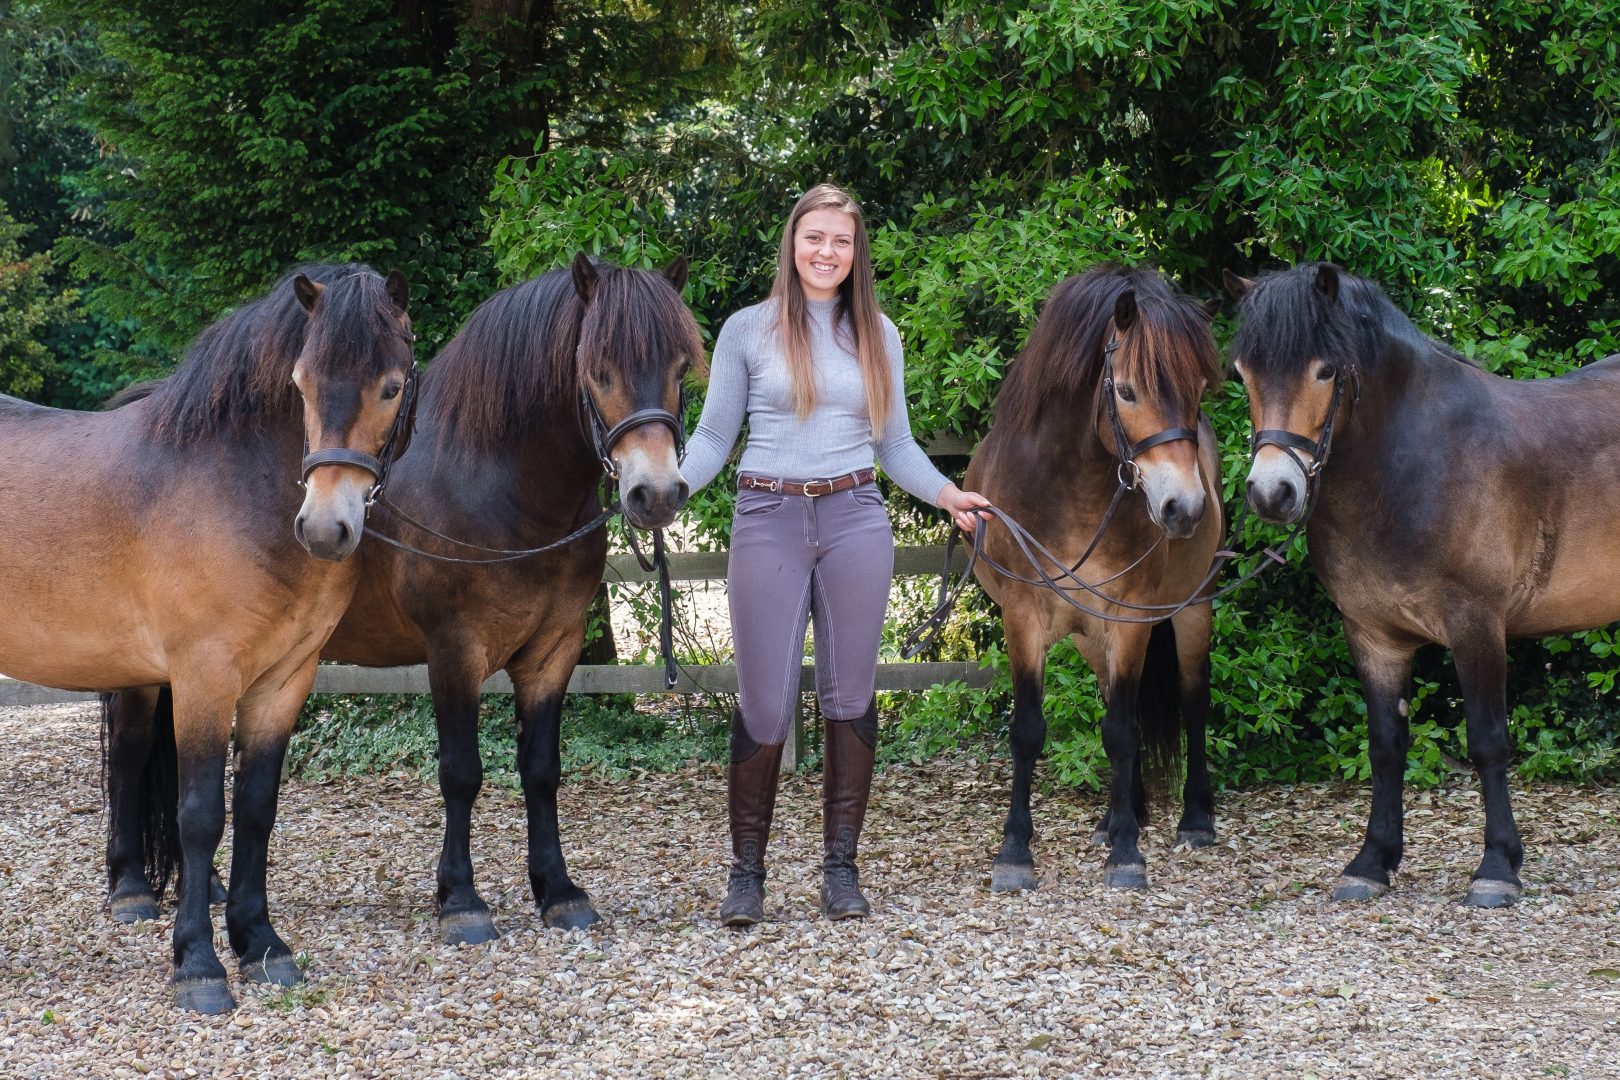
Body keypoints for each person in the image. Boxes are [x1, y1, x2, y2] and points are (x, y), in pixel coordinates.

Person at [680, 183, 990, 925]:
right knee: (763, 698)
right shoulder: (746, 331)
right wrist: (670, 489)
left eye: (842, 241)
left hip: (855, 516)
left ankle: (840, 870)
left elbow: (895, 445)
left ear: (857, 254)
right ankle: (747, 876)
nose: (827, 252)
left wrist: (950, 495)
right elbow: (716, 437)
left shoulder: (878, 334)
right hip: (767, 514)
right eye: (815, 237)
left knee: (850, 695)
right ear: (793, 243)